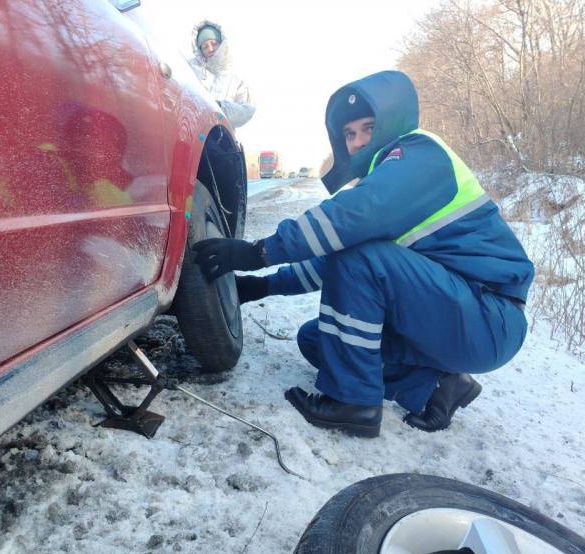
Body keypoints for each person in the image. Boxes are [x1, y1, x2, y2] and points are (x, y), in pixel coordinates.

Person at [192, 70, 534, 438]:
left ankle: (354, 404)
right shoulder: (393, 177)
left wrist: (259, 252)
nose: (356, 143)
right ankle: (438, 387)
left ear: (392, 122)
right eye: (349, 134)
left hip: (487, 315)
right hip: (452, 314)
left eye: (368, 128)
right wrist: (261, 287)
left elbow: (349, 221)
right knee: (320, 341)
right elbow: (330, 263)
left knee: (360, 259)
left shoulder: (420, 154)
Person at [188, 20, 255, 130]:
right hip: (192, 131)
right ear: (199, 50)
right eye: (205, 46)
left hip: (221, 137)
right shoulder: (190, 67)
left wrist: (219, 107)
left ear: (221, 43)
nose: (210, 49)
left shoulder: (235, 75)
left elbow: (248, 109)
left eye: (214, 44)